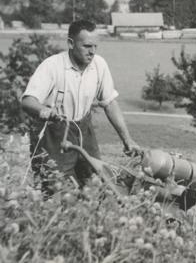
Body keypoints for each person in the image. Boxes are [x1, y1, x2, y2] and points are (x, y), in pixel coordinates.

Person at [22, 19, 141, 191]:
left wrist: (127, 140)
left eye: (95, 47)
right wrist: (44, 111)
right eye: (86, 46)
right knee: (55, 188)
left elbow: (109, 103)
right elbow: (27, 101)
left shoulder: (99, 65)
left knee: (96, 183)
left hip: (84, 130)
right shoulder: (52, 66)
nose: (92, 52)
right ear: (70, 43)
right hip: (54, 134)